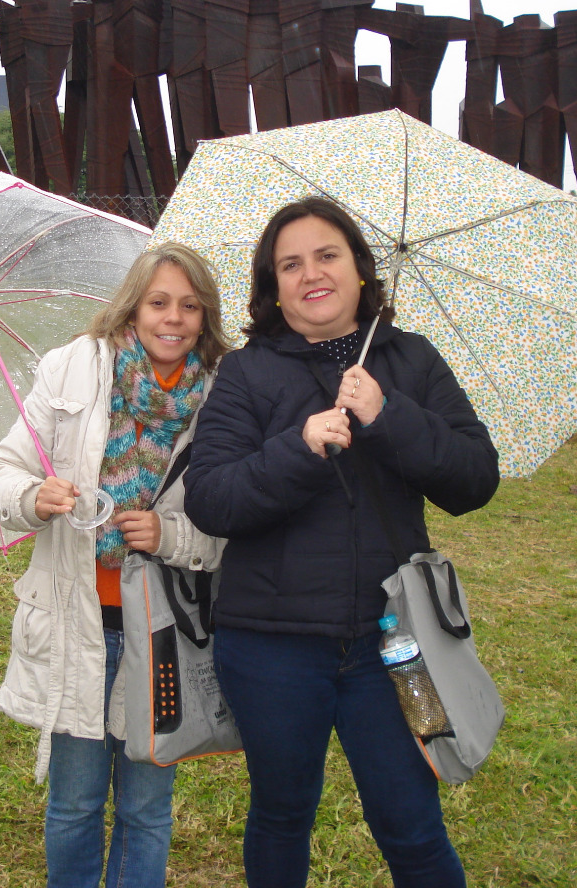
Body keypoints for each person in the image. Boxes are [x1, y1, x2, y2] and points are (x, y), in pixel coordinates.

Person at [183, 197, 500, 888]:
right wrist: (297, 448)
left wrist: (388, 415)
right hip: (271, 643)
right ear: (273, 287)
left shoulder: (411, 360)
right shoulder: (246, 371)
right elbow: (211, 500)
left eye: (327, 255)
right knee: (281, 813)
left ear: (359, 268)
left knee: (412, 824)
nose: (311, 274)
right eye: (290, 264)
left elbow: (475, 480)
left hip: (394, 640)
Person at [0, 243, 229, 888]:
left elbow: (235, 525)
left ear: (205, 317)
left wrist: (169, 535)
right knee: (75, 801)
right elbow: (3, 472)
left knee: (147, 808)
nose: (172, 318)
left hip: (163, 632)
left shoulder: (223, 397)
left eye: (189, 306)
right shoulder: (71, 369)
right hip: (78, 622)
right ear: (132, 308)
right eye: (158, 302)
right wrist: (33, 497)